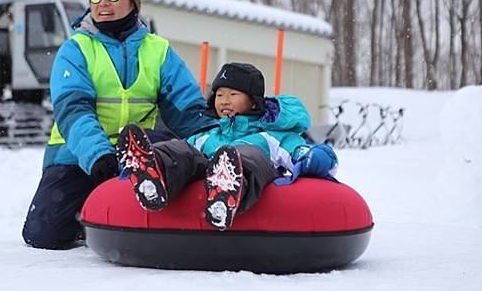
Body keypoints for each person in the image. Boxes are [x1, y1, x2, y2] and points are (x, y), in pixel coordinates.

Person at [22, 0, 215, 249]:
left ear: (132, 3)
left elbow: (188, 111)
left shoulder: (158, 51)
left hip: (139, 155)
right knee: (42, 235)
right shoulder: (76, 49)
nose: (103, 3)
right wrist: (98, 155)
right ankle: (93, 216)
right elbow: (73, 110)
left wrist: (217, 141)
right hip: (78, 156)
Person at [117, 62, 339, 231]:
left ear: (253, 102)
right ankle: (153, 173)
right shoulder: (207, 136)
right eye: (219, 94)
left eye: (233, 94)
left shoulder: (272, 137)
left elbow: (302, 152)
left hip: (250, 174)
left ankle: (227, 190)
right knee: (184, 151)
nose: (224, 100)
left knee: (246, 154)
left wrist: (318, 157)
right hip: (206, 171)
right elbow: (184, 151)